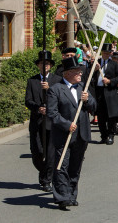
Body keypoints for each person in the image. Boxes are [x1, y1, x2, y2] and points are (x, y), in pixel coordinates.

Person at [47, 56, 96, 210]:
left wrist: (88, 100)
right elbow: (52, 113)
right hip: (64, 134)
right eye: (77, 71)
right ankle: (62, 197)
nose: (80, 74)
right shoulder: (55, 89)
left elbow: (94, 108)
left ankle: (72, 195)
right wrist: (66, 124)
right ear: (67, 73)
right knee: (62, 166)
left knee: (75, 167)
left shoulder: (83, 87)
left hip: (81, 134)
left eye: (80, 71)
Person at [25, 51, 62, 192]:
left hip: (51, 122)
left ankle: (47, 180)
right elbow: (28, 101)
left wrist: (50, 89)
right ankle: (43, 172)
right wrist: (38, 108)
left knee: (51, 152)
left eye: (47, 63)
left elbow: (60, 98)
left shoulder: (57, 80)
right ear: (38, 65)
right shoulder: (32, 81)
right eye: (42, 63)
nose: (44, 66)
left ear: (51, 66)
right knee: (37, 152)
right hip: (37, 121)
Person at [94, 43, 118, 145]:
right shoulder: (96, 63)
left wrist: (110, 81)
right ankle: (103, 136)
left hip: (110, 92)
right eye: (104, 52)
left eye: (108, 53)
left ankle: (111, 135)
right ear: (101, 53)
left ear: (110, 53)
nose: (106, 54)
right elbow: (88, 77)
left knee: (111, 115)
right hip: (99, 92)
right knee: (101, 116)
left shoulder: (114, 64)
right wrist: (94, 69)